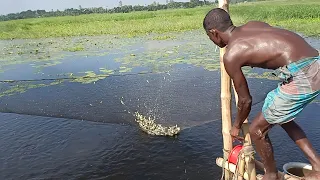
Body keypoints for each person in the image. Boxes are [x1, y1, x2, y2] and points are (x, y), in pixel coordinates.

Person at [203, 8, 320, 180]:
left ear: (215, 33)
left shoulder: (232, 54)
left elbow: (245, 100)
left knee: (256, 129)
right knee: (281, 115)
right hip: (315, 62)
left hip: (303, 75)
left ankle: (271, 175)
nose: (212, 41)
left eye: (209, 37)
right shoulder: (253, 26)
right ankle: (317, 165)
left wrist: (236, 126)